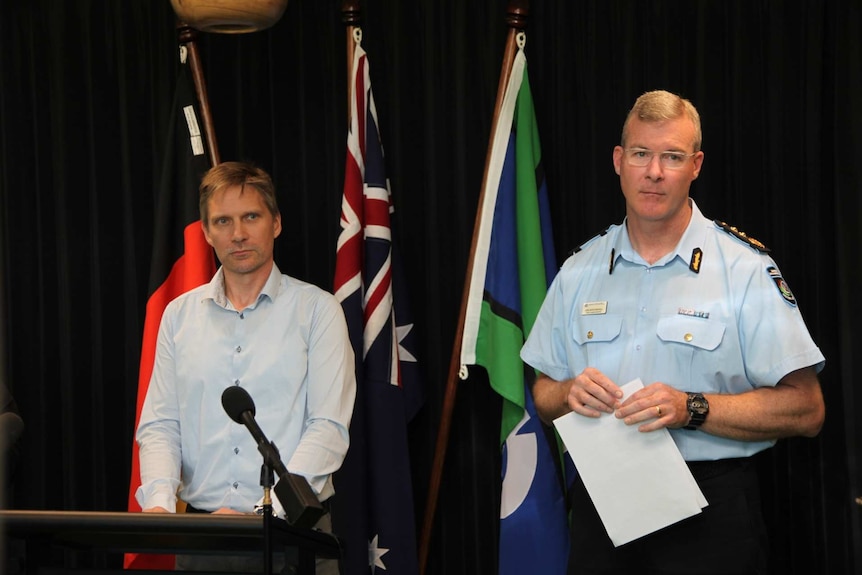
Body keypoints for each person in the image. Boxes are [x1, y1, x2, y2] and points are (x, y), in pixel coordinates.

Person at [521, 90, 825, 575]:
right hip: (604, 512)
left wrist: (693, 408)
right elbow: (542, 393)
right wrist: (568, 393)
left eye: (672, 157)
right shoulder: (579, 271)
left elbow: (807, 408)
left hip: (711, 514)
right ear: (619, 161)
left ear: (696, 165)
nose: (654, 172)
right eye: (641, 154)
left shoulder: (743, 269)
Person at [136, 161, 356, 574]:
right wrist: (161, 508)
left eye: (251, 216)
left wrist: (264, 513)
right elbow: (161, 425)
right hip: (205, 541)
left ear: (275, 223)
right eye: (222, 221)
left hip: (295, 535)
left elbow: (328, 427)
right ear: (206, 232)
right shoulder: (178, 316)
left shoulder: (317, 311)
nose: (237, 233)